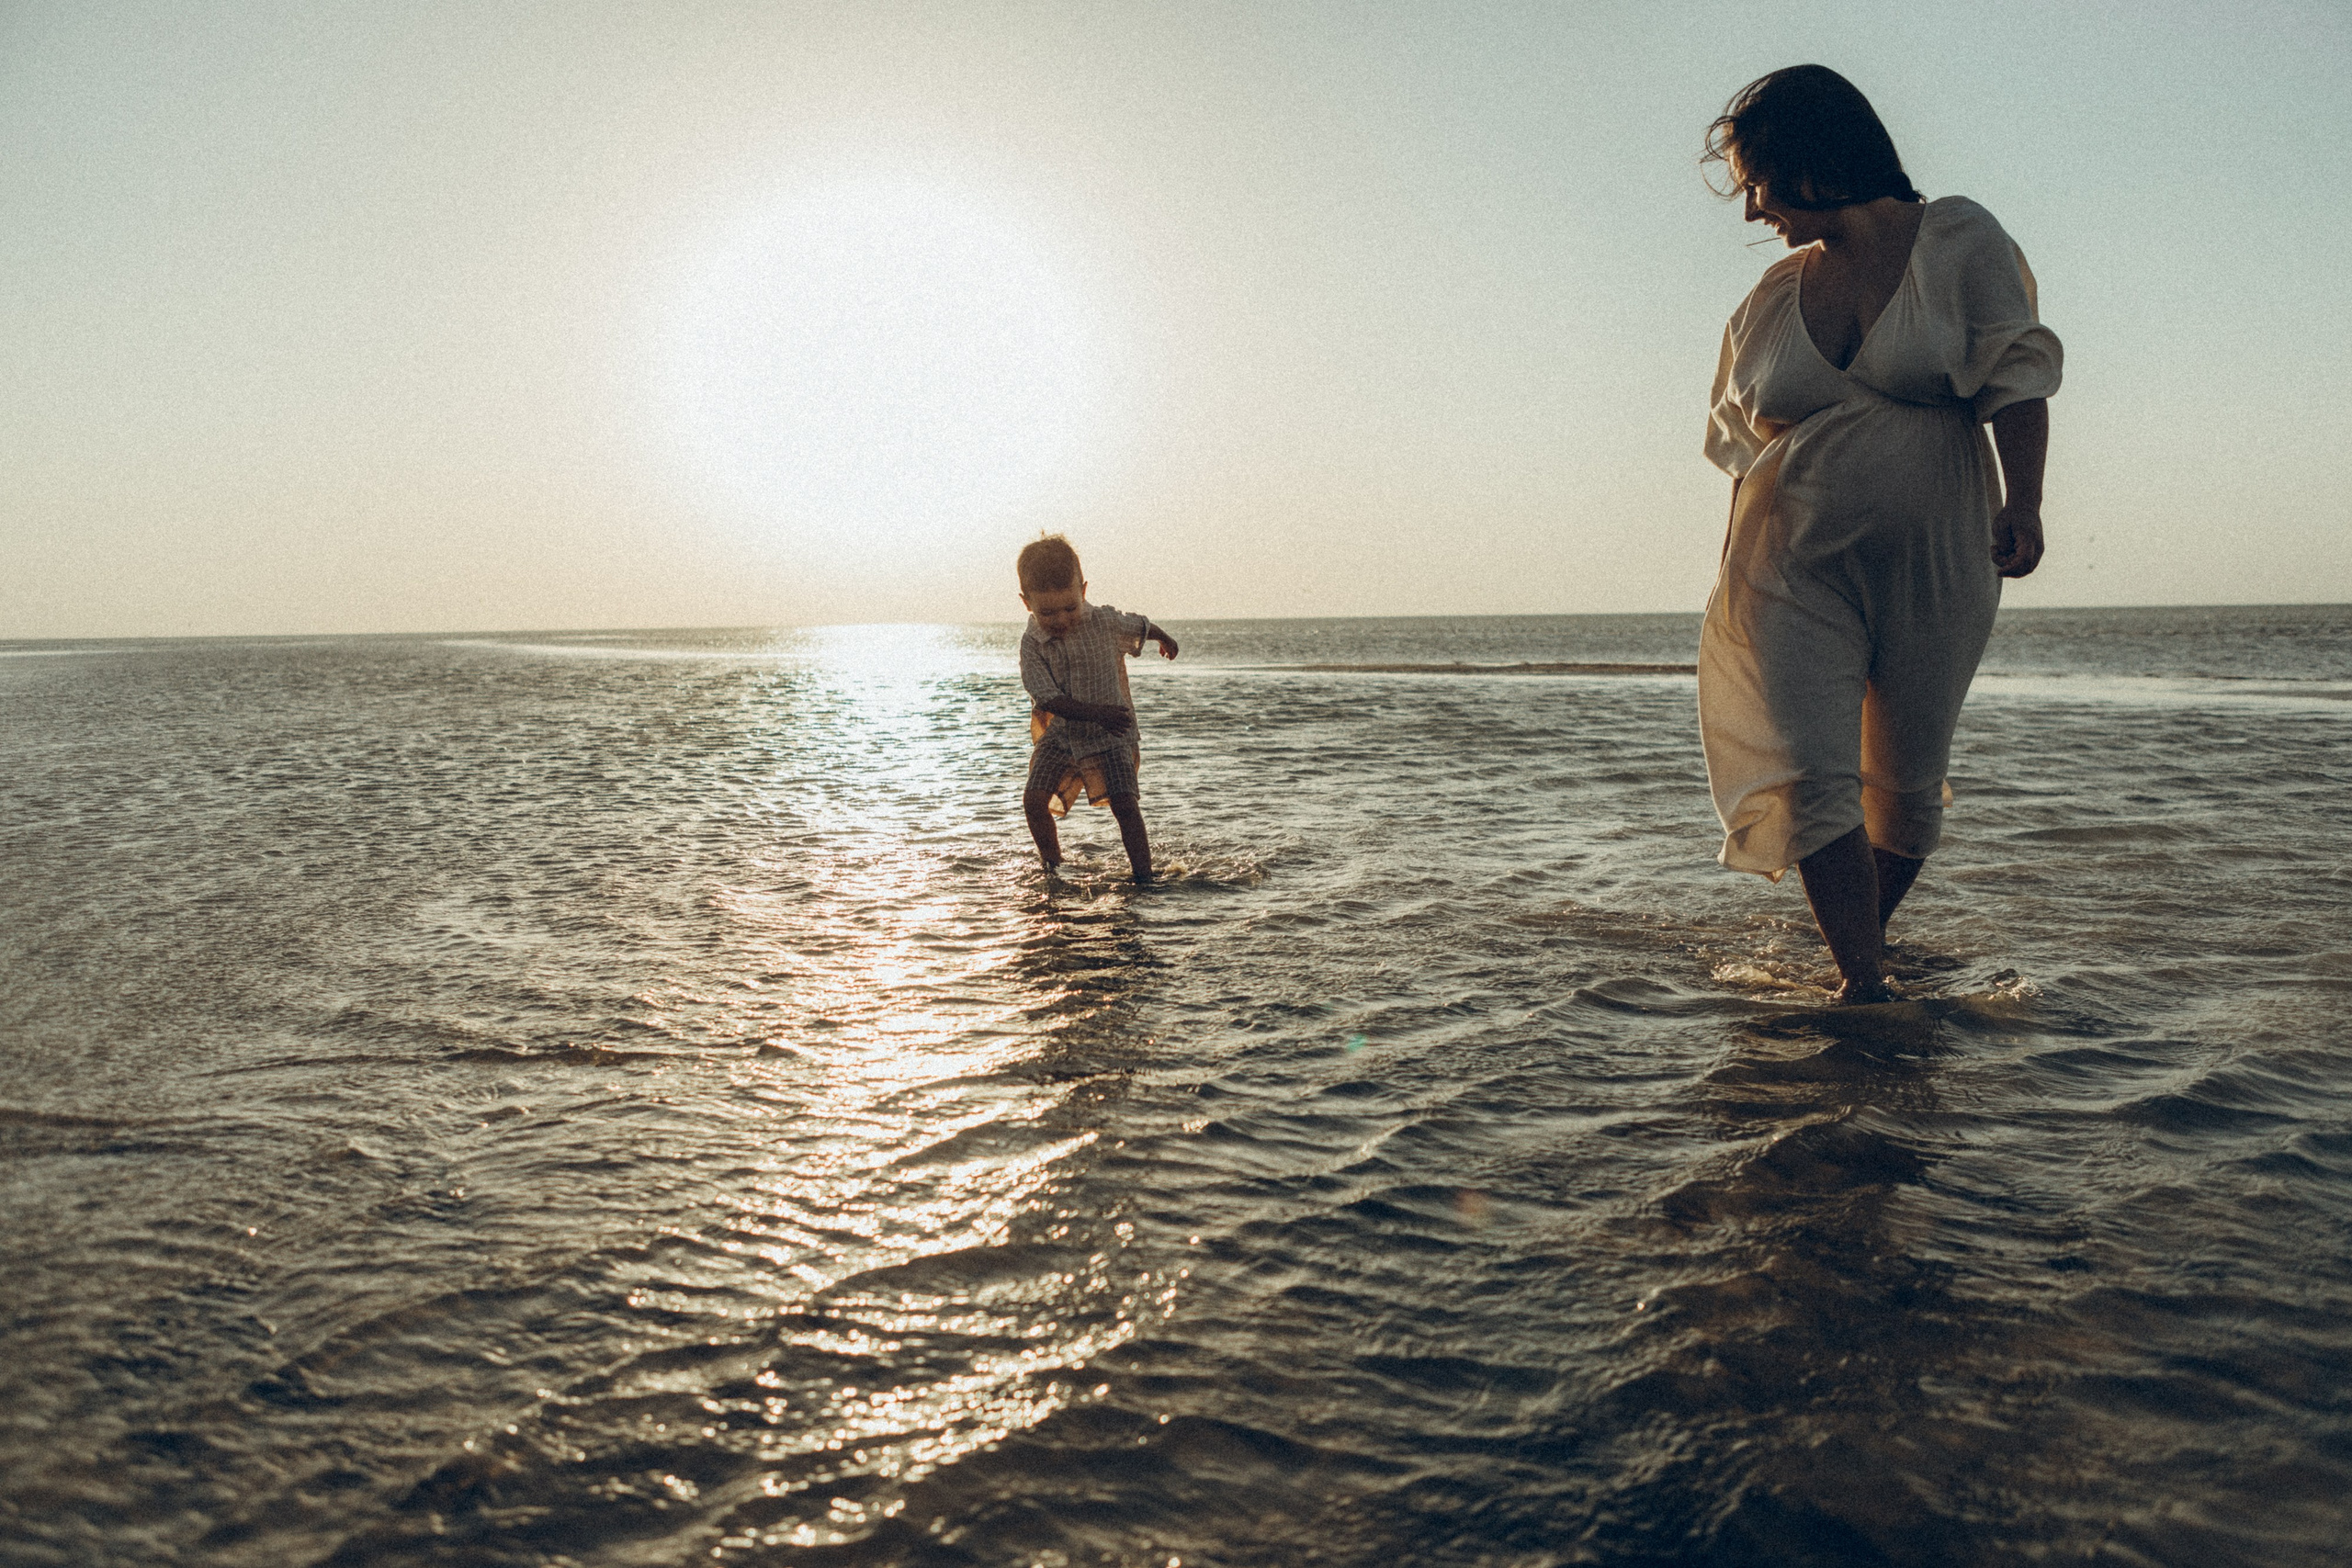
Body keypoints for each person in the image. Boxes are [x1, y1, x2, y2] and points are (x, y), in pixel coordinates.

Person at [1698, 64, 2061, 1002]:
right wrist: (1729, 576)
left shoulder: (1958, 241)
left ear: (1816, 162)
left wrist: (2022, 501)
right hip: (1788, 570)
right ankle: (1863, 992)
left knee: (1902, 799)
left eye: (1760, 182)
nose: (1754, 211)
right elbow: (1744, 457)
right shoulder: (1771, 301)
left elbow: (2015, 379)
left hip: (1936, 562)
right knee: (1814, 776)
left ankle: (1851, 949)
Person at [1015, 534, 1180, 882]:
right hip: (1062, 735)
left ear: (1083, 591)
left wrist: (1164, 638)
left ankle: (1144, 877)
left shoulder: (1103, 622)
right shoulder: (1032, 643)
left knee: (1125, 805)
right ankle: (1052, 866)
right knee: (1033, 800)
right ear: (1027, 603)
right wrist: (1097, 713)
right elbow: (1047, 699)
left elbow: (1140, 625)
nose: (1060, 619)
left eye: (1070, 607)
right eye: (1047, 612)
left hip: (1112, 737)